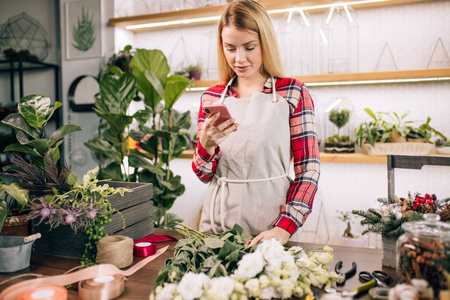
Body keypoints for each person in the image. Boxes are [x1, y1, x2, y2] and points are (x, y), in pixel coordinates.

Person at [192, 0, 320, 246]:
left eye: (249, 47)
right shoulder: (211, 97)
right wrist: (206, 145)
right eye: (230, 48)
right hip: (217, 230)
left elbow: (308, 170)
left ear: (266, 43)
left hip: (271, 231)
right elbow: (203, 175)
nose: (239, 58)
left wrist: (285, 228)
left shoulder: (292, 93)